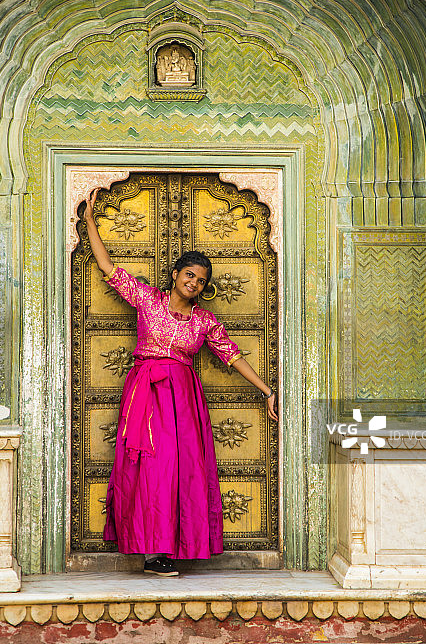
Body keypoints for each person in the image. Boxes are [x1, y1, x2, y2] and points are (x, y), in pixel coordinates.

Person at [83, 189, 278, 577]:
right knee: (151, 470)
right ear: (175, 275)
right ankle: (152, 553)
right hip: (146, 394)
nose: (194, 283)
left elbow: (233, 356)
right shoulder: (146, 299)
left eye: (201, 280)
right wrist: (89, 221)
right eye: (189, 275)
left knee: (183, 469)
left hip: (184, 400)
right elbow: (107, 266)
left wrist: (267, 390)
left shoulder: (204, 322)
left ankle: (177, 547)